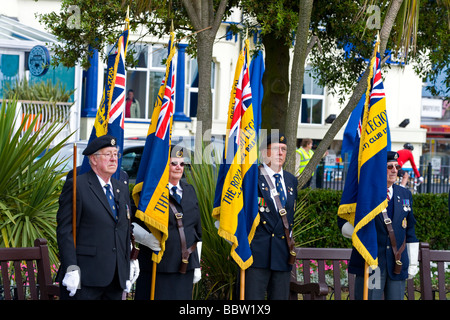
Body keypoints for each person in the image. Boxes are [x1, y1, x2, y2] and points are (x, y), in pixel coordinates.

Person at [56, 135, 139, 300]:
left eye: (116, 154)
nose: (113, 159)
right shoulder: (77, 186)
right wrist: (71, 268)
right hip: (86, 277)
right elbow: (65, 230)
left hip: (115, 278)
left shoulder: (119, 188)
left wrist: (128, 260)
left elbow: (123, 228)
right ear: (93, 159)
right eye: (108, 154)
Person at [338, 151, 419, 300]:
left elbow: (410, 230)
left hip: (397, 264)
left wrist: (413, 262)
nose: (395, 170)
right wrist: (360, 235)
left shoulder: (405, 194)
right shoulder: (364, 193)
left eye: (397, 166)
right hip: (372, 264)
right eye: (389, 167)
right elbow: (343, 221)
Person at [133, 145, 202, 300]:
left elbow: (195, 230)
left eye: (182, 164)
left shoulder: (189, 190)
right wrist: (145, 238)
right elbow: (131, 222)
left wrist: (196, 264)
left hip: (184, 267)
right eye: (174, 163)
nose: (178, 167)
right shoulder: (151, 192)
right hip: (158, 265)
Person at [245, 132, 298, 300]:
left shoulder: (291, 180)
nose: (280, 153)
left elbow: (290, 217)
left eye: (284, 149)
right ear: (263, 153)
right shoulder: (252, 178)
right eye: (275, 149)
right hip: (257, 254)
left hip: (282, 255)